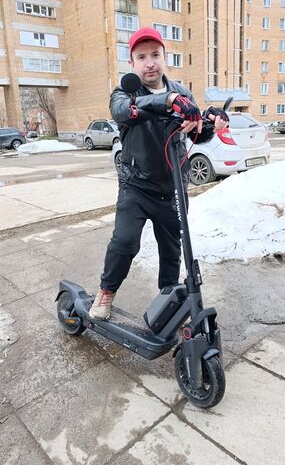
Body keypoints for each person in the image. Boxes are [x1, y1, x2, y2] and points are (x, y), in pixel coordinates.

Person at [89, 27, 229, 320]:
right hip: (136, 186)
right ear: (132, 63)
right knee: (125, 242)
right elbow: (122, 112)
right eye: (142, 57)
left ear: (165, 57)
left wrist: (212, 122)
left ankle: (169, 302)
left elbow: (195, 133)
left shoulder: (183, 92)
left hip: (172, 188)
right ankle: (106, 291)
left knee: (172, 251)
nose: (150, 63)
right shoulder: (125, 92)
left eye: (155, 55)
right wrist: (167, 100)